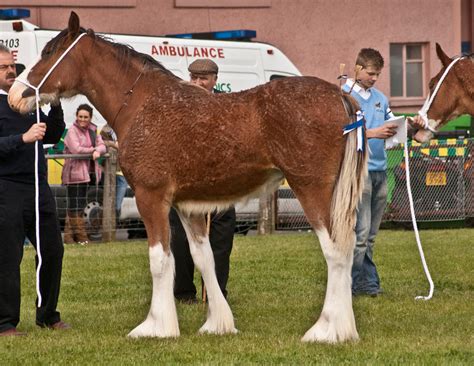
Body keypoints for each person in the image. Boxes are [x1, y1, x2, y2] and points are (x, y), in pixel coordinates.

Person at [0, 45, 69, 336]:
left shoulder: (27, 101)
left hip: (39, 188)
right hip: (7, 189)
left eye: (11, 65)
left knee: (53, 250)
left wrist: (54, 104)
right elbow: (17, 142)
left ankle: (48, 314)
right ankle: (5, 323)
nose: (10, 71)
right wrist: (22, 138)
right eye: (3, 67)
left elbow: (52, 135)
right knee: (7, 256)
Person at [170, 59, 236, 303]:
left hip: (221, 185)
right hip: (186, 186)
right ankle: (184, 292)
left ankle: (216, 292)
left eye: (204, 78)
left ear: (215, 80)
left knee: (220, 241)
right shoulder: (178, 106)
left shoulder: (225, 105)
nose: (197, 83)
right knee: (180, 238)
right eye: (194, 78)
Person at [342, 48, 401, 297]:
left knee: (371, 235)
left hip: (380, 170)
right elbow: (342, 131)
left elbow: (391, 122)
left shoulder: (380, 98)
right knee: (361, 233)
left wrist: (405, 129)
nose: (374, 78)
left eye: (377, 74)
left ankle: (367, 284)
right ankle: (351, 283)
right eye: (370, 73)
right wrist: (374, 133)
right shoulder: (344, 97)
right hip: (358, 172)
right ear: (357, 69)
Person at [62, 104, 106, 245]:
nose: (82, 119)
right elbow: (76, 149)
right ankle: (82, 237)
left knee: (79, 204)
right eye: (80, 116)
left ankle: (69, 237)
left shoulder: (93, 130)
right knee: (75, 204)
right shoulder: (72, 132)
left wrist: (98, 150)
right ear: (76, 116)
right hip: (74, 172)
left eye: (85, 117)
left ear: (90, 118)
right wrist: (94, 150)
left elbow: (103, 146)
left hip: (87, 173)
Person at [100, 123, 128, 220]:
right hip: (108, 171)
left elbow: (126, 147)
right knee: (108, 203)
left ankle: (114, 224)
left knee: (117, 205)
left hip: (122, 172)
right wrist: (114, 145)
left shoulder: (127, 125)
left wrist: (112, 144)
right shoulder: (107, 128)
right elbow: (101, 142)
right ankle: (110, 226)